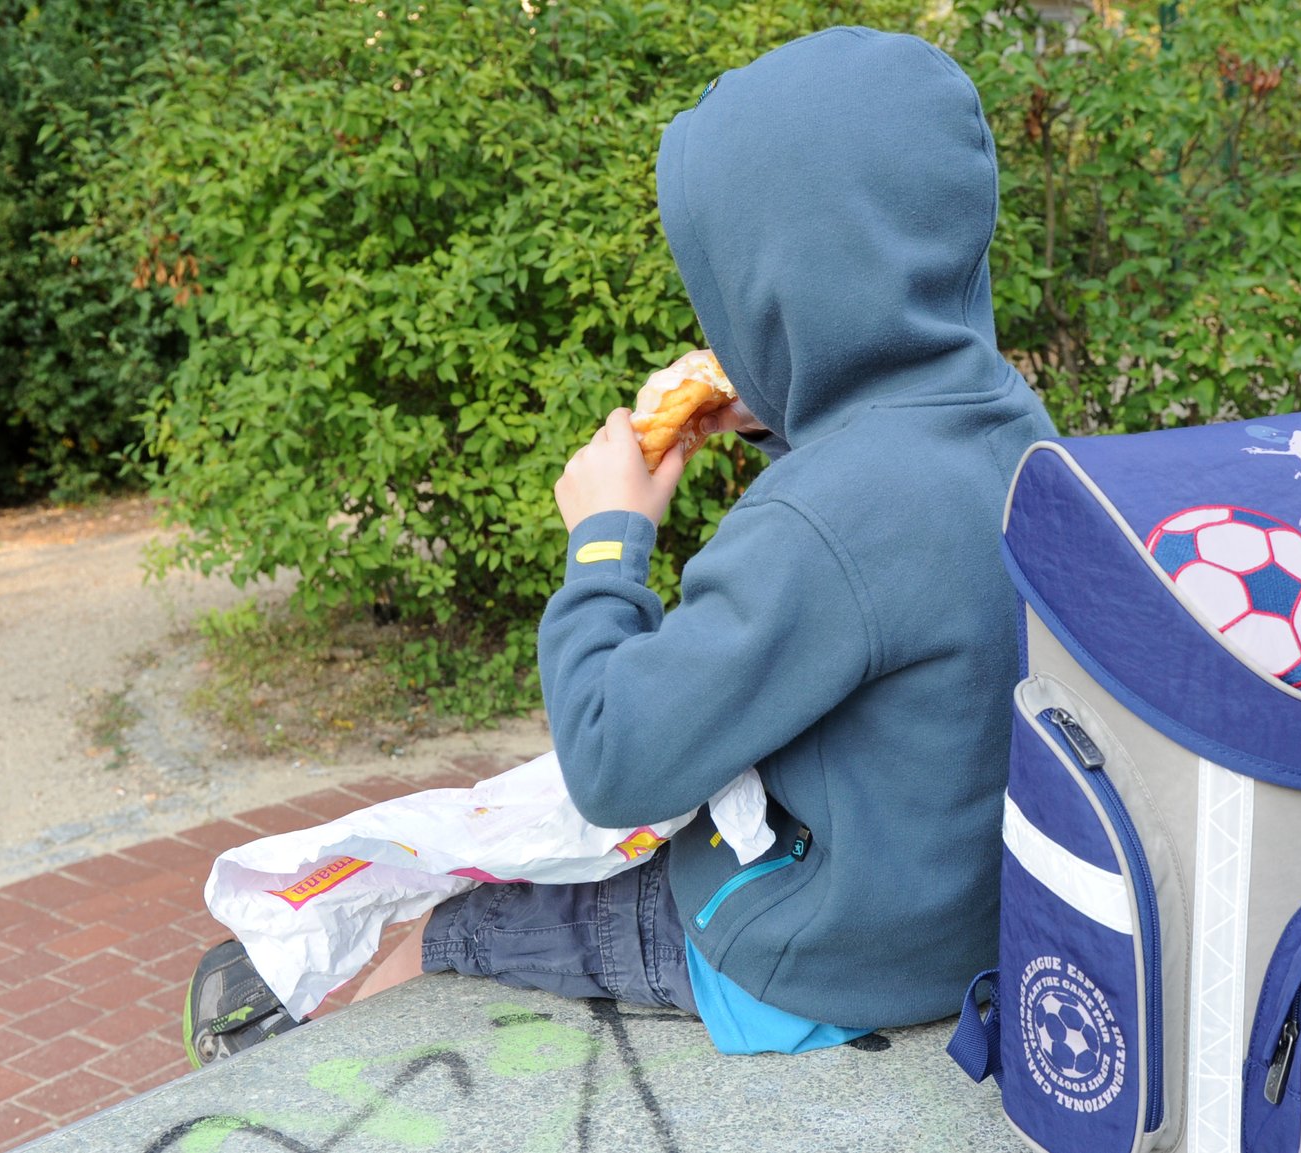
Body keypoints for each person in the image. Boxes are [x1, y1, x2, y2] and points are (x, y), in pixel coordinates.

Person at [183, 25, 1056, 1065]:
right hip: (954, 922)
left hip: (809, 955)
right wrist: (781, 414)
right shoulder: (1010, 423)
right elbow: (894, 545)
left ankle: (307, 1078)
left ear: (778, 285)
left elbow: (614, 759)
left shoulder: (816, 522)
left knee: (452, 923)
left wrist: (606, 543)